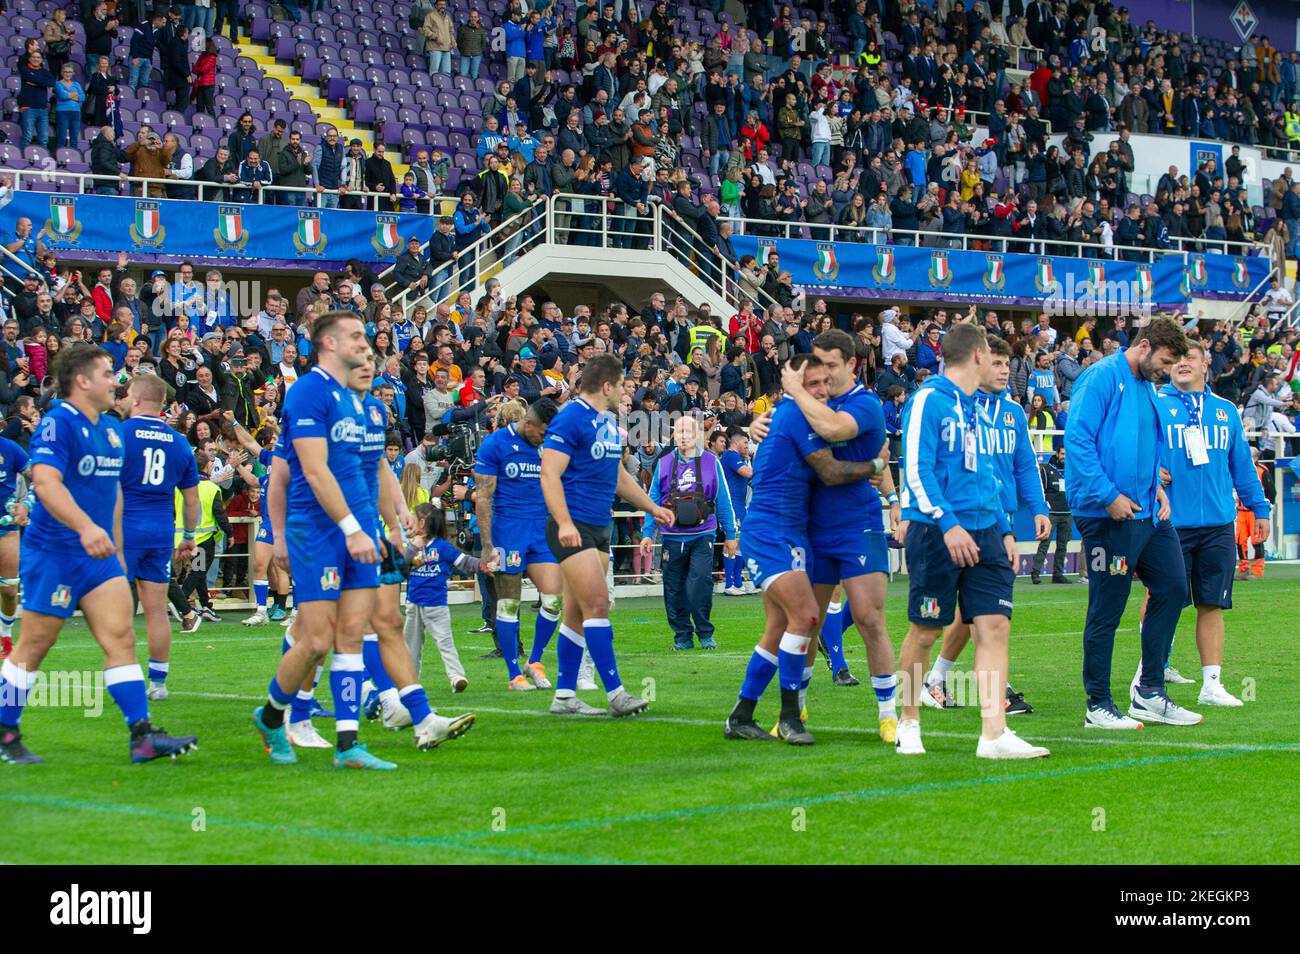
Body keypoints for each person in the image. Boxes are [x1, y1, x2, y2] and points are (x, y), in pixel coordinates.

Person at [0, 344, 197, 764]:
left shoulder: (111, 429)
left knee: (121, 637)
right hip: (55, 552)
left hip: (100, 557)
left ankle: (142, 736)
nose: (116, 382)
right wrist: (86, 527)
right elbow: (46, 484)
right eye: (108, 373)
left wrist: (117, 549)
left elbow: (116, 495)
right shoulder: (58, 423)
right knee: (35, 644)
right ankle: (6, 729)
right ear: (83, 381)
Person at [894, 323, 1049, 759]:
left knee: (994, 626)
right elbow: (915, 471)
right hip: (937, 531)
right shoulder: (929, 399)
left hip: (986, 531)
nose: (1003, 368)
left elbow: (986, 475)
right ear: (978, 355)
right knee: (926, 630)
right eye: (994, 358)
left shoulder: (978, 408)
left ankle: (994, 734)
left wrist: (1003, 527)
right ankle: (908, 719)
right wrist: (948, 523)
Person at [251, 312, 393, 769]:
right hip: (318, 531)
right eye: (355, 335)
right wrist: (351, 529)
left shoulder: (359, 400)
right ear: (328, 343)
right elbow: (311, 471)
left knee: (352, 635)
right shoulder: (309, 391)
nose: (364, 341)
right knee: (315, 640)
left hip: (359, 532)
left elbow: (368, 472)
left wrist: (377, 526)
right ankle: (272, 717)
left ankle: (348, 745)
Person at [723, 353, 885, 745]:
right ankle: (790, 716)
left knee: (779, 627)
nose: (822, 391)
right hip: (769, 531)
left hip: (794, 532)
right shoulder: (796, 413)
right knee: (807, 616)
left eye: (825, 384)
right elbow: (830, 471)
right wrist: (876, 468)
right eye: (812, 384)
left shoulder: (790, 414)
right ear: (793, 384)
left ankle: (741, 715)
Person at [1065, 316, 1198, 730]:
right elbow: (1078, 440)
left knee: (1175, 588)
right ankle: (1098, 705)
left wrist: (1156, 485)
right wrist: (1108, 496)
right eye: (1164, 361)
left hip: (1145, 512)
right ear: (1144, 347)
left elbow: (1144, 443)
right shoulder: (1101, 377)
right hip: (1106, 515)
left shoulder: (1146, 386)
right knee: (1108, 605)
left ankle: (1150, 692)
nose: (1168, 370)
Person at [775, 329, 901, 742]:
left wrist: (794, 390)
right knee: (805, 622)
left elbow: (830, 430)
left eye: (831, 365)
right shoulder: (815, 400)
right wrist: (765, 422)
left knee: (868, 617)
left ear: (851, 364)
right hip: (812, 527)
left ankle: (887, 714)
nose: (823, 373)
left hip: (857, 524)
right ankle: (798, 708)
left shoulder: (864, 403)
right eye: (819, 364)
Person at [540, 353, 673, 717]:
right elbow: (549, 473)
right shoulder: (570, 418)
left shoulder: (606, 422)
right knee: (598, 605)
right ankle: (616, 693)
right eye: (622, 385)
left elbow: (618, 475)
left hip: (598, 526)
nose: (625, 391)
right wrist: (564, 522)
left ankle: (564, 697)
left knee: (576, 614)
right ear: (607, 386)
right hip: (575, 525)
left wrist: (652, 507)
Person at [1149, 341, 1270, 708]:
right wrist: (1153, 473)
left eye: (1190, 358)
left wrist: (1258, 508)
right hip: (1171, 522)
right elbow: (1136, 451)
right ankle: (1151, 673)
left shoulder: (1225, 411)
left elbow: (1242, 467)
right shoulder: (1154, 404)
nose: (1182, 364)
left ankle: (1211, 684)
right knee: (1163, 600)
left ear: (1206, 365)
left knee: (1212, 604)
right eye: (1176, 359)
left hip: (1219, 521)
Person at [472, 397, 566, 690]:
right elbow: (484, 496)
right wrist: (487, 545)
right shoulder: (496, 445)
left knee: (554, 597)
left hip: (540, 530)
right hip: (507, 532)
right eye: (541, 433)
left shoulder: (548, 445)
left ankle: (534, 660)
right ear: (528, 424)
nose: (544, 438)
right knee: (509, 603)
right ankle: (514, 674)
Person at [119, 374, 200, 702]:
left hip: (124, 530)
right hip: (161, 532)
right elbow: (191, 499)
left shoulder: (120, 434)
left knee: (120, 610)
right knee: (156, 610)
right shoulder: (179, 442)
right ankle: (158, 683)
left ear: (136, 399)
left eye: (126, 395)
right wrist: (189, 536)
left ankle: (123, 675)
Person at [640, 414, 737, 651]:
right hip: (671, 537)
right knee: (673, 588)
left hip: (703, 534)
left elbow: (723, 499)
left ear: (697, 436)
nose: (684, 437)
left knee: (699, 583)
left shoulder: (711, 462)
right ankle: (682, 636)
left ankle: (705, 633)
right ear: (675, 435)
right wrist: (647, 533)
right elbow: (653, 500)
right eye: (680, 432)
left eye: (688, 432)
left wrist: (731, 535)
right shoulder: (663, 463)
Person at [403, 501, 490, 691]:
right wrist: (413, 546)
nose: (412, 523)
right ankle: (410, 681)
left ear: (423, 523)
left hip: (436, 604)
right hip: (413, 604)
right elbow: (402, 565)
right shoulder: (411, 545)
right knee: (411, 646)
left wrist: (482, 565)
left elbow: (464, 561)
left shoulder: (442, 547)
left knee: (445, 642)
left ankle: (457, 677)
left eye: (415, 519)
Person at [0, 434, 32, 658]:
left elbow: (38, 478)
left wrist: (26, 503)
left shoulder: (10, 449)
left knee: (10, 589)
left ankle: (6, 635)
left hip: (6, 528)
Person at [1032, 445, 1080, 584]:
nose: (1065, 456)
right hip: (1051, 514)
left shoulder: (1072, 470)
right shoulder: (1046, 470)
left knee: (1063, 545)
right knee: (1044, 544)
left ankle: (1057, 574)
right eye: (1063, 454)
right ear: (1057, 454)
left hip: (1067, 513)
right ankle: (1035, 573)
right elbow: (1041, 490)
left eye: (1067, 454)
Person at [718, 426, 754, 594]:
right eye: (745, 442)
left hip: (740, 504)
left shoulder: (738, 457)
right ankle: (729, 584)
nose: (748, 445)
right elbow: (747, 474)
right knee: (732, 541)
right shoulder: (731, 456)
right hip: (732, 504)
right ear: (736, 442)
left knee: (740, 543)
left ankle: (738, 583)